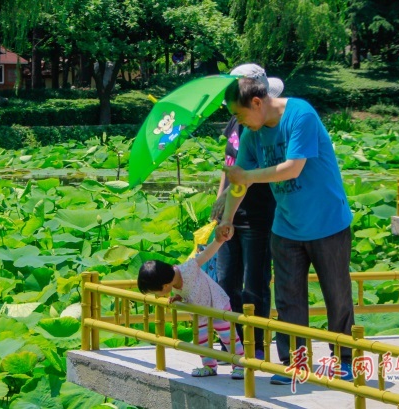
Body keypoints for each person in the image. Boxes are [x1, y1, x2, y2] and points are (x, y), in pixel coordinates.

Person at [218, 64, 355, 385]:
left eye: (239, 115)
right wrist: (226, 219)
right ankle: (296, 363)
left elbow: (292, 168)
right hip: (287, 227)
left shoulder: (300, 115)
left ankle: (345, 359)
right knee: (289, 299)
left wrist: (248, 176)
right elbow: (239, 182)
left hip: (328, 223)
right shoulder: (251, 135)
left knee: (337, 296)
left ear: (257, 103)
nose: (237, 123)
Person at [209, 64, 279, 362]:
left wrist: (230, 192)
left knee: (255, 283)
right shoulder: (235, 122)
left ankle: (257, 345)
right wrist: (220, 202)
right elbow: (229, 166)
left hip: (259, 214)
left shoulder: (265, 127)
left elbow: (250, 171)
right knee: (226, 280)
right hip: (231, 214)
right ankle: (232, 343)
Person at [138, 224, 246, 380]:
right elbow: (188, 290)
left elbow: (206, 255)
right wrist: (179, 297)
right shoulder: (172, 283)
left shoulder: (188, 268)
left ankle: (240, 366)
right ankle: (209, 366)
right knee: (201, 339)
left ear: (165, 285)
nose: (157, 296)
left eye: (156, 292)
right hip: (200, 312)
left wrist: (218, 240)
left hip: (217, 304)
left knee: (229, 337)